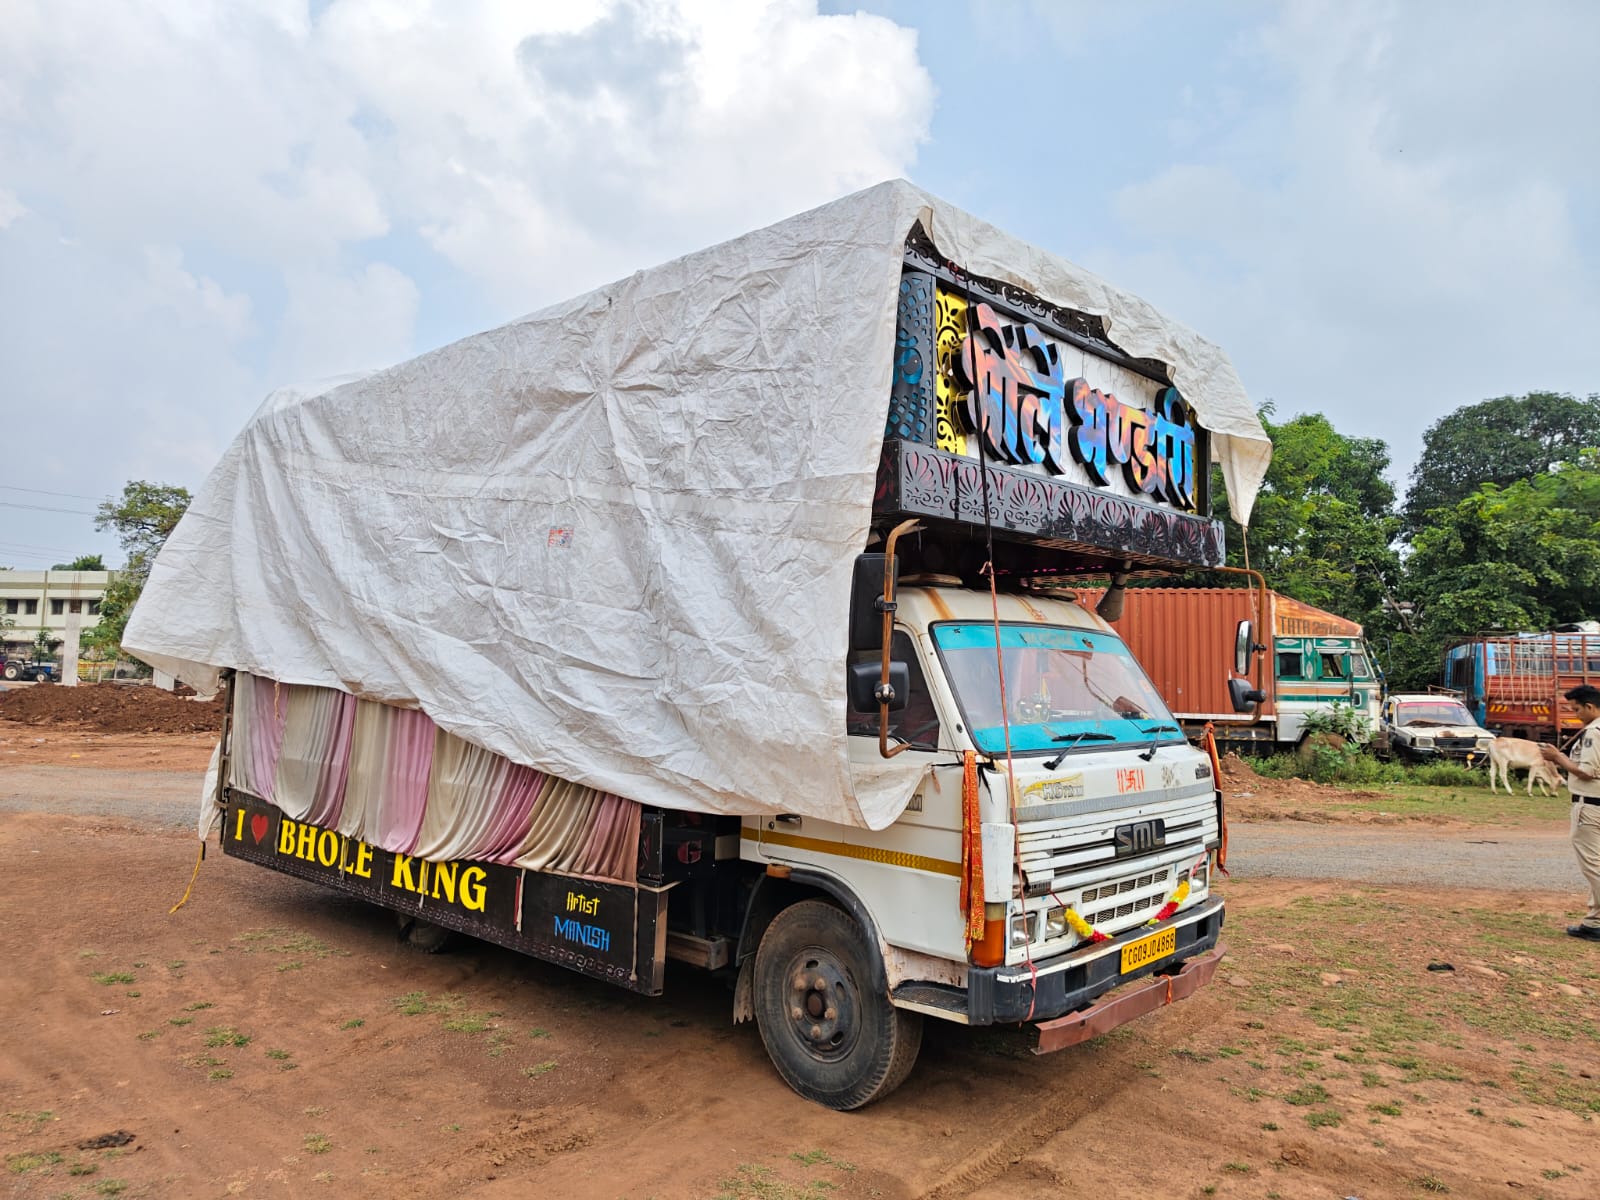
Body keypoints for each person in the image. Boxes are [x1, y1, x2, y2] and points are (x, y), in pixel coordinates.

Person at [1540, 684, 1600, 940]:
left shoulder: (1594, 733)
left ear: (1589, 706)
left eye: (1577, 709)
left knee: (1594, 867)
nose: (1576, 714)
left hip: (1590, 805)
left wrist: (1558, 758)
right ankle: (1594, 921)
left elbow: (1587, 771)